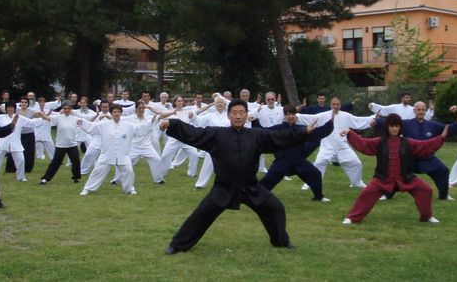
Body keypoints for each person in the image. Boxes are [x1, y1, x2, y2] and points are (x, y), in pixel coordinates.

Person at [161, 99, 323, 254]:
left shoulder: (257, 135)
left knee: (275, 207)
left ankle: (281, 241)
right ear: (228, 115)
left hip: (251, 186)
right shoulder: (217, 134)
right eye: (235, 113)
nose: (238, 116)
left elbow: (281, 136)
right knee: (201, 214)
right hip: (224, 187)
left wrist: (304, 132)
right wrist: (172, 123)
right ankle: (178, 245)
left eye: (241, 113)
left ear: (246, 116)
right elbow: (195, 133)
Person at [340, 113, 447, 224]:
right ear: (387, 127)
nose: (394, 129)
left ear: (400, 127)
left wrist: (440, 138)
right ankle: (352, 218)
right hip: (383, 178)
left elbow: (424, 146)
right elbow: (364, 144)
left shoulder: (407, 142)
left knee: (426, 190)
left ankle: (427, 216)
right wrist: (350, 134)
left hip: (406, 177)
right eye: (392, 126)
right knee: (366, 193)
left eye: (397, 126)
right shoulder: (380, 141)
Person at [373, 101, 457, 200]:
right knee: (394, 172)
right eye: (418, 109)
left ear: (425, 111)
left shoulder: (433, 125)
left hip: (427, 158)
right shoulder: (406, 124)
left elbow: (448, 130)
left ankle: (444, 195)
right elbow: (392, 124)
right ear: (414, 110)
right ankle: (387, 194)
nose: (421, 112)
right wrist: (377, 122)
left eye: (423, 110)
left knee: (443, 170)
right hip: (408, 159)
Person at [259, 105, 334, 201]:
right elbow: (262, 132)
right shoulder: (277, 128)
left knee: (315, 174)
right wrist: (254, 120)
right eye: (288, 114)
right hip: (282, 162)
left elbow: (318, 133)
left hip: (299, 161)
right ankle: (256, 196)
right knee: (267, 180)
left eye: (293, 114)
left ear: (295, 115)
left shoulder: (302, 128)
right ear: (285, 115)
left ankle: (319, 196)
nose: (290, 116)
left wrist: (330, 123)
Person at [77, 104, 154, 195]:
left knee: (129, 171)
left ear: (121, 113)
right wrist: (82, 122)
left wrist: (150, 123)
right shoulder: (104, 125)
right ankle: (87, 189)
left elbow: (139, 128)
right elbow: (93, 127)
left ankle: (129, 189)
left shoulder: (128, 125)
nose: (116, 114)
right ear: (111, 113)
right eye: (114, 112)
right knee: (97, 171)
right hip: (107, 154)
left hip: (123, 155)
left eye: (118, 112)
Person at [309, 96, 376, 189]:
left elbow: (358, 120)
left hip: (342, 147)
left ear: (340, 105)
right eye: (333, 104)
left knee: (356, 163)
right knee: (318, 163)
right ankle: (310, 184)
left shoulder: (346, 116)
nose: (335, 106)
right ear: (330, 105)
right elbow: (310, 118)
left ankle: (357, 183)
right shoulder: (323, 115)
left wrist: (373, 118)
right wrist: (296, 116)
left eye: (338, 104)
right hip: (326, 147)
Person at [0, 101, 46, 182]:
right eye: (8, 107)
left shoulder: (19, 118)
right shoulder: (1, 117)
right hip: (3, 143)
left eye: (12, 107)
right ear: (6, 109)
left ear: (14, 109)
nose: (10, 109)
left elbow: (31, 123)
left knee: (21, 160)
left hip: (15, 143)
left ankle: (21, 177)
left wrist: (43, 118)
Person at [39, 101, 84, 184]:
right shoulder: (59, 118)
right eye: (65, 108)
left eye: (68, 109)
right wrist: (41, 113)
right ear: (62, 109)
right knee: (55, 163)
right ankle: (45, 179)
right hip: (61, 145)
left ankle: (76, 177)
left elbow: (86, 121)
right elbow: (48, 118)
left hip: (72, 144)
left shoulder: (75, 119)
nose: (67, 110)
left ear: (71, 109)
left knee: (76, 162)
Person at [369, 91, 434, 120]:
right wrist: (373, 106)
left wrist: (431, 109)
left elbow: (424, 116)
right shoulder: (394, 107)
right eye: (407, 97)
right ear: (402, 98)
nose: (408, 99)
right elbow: (383, 109)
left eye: (409, 98)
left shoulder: (413, 109)